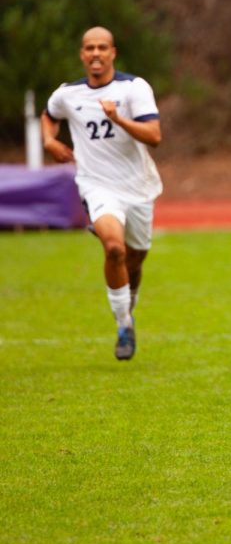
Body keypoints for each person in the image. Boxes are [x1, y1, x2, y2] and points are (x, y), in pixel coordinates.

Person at [41, 26, 164, 361]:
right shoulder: (68, 94)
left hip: (137, 187)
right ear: (82, 54)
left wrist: (119, 119)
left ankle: (128, 308)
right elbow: (49, 116)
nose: (95, 53)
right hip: (96, 185)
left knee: (135, 259)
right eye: (89, 48)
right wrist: (50, 141)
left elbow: (154, 135)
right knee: (114, 248)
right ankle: (123, 325)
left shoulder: (133, 88)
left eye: (102, 47)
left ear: (113, 53)